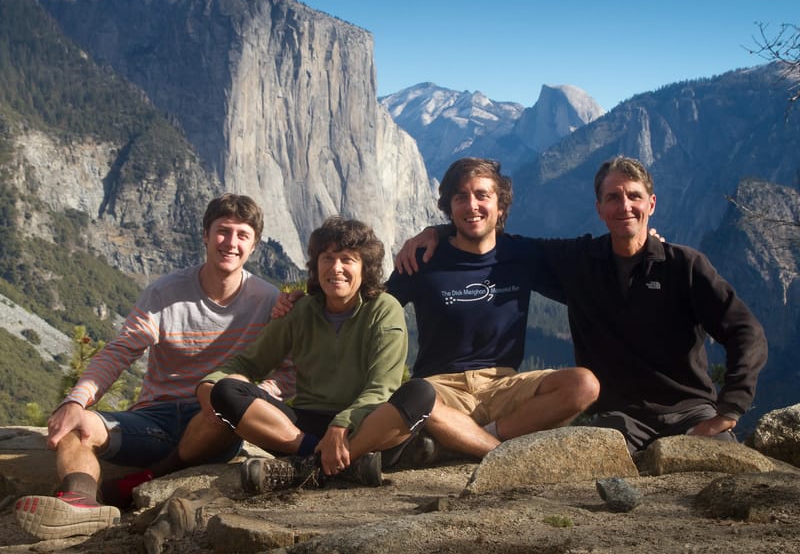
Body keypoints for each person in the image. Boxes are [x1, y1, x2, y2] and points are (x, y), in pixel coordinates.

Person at [398, 156, 768, 452]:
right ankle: (483, 444)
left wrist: (730, 408)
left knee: (722, 474)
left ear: (651, 204)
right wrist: (439, 231)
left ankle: (477, 441)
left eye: (634, 196)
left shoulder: (685, 266)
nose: (625, 206)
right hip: (620, 420)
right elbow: (486, 235)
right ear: (599, 208)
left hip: (691, 412)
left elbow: (745, 331)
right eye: (613, 198)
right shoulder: (579, 262)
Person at [274, 159, 599, 462]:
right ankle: (496, 454)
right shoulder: (423, 260)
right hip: (439, 391)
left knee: (583, 385)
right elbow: (368, 310)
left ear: (500, 205)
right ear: (449, 208)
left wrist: (647, 240)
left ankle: (472, 440)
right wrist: (311, 299)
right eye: (460, 197)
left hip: (504, 385)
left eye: (482, 195)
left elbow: (589, 260)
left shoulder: (524, 255)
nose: (472, 205)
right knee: (414, 399)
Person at [15, 194, 295, 541]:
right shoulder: (165, 293)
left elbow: (288, 371)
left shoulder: (267, 300)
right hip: (154, 419)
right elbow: (121, 351)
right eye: (223, 231)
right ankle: (79, 503)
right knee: (78, 426)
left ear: (254, 246)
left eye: (242, 235)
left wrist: (250, 400)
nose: (231, 243)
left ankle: (151, 477)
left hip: (215, 425)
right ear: (205, 235)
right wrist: (76, 400)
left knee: (223, 404)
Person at [197, 216, 435, 493]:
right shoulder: (301, 310)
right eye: (327, 258)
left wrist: (341, 425)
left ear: (365, 267)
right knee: (226, 391)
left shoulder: (384, 309)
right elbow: (249, 363)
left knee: (421, 393)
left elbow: (382, 387)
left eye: (347, 259)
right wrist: (209, 383)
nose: (336, 268)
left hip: (365, 424)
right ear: (316, 264)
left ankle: (307, 467)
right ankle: (340, 463)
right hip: (303, 429)